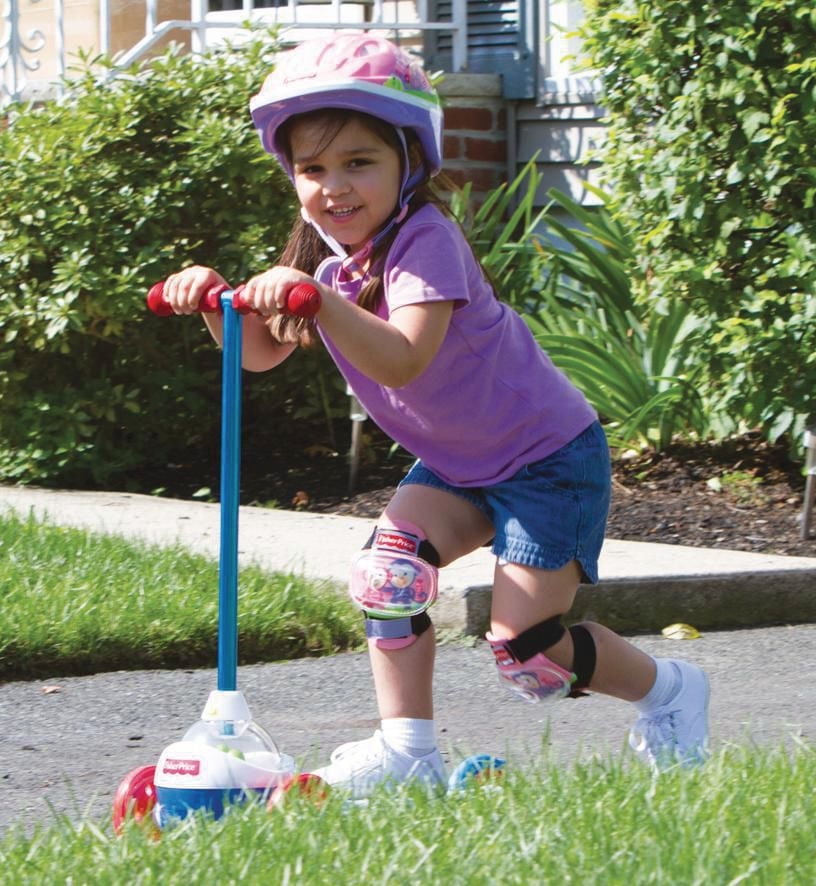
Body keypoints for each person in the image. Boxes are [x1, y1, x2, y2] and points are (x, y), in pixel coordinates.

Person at [161, 33, 710, 795]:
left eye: (359, 161)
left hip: (547, 458)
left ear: (408, 163)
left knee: (531, 654)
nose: (334, 185)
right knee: (388, 576)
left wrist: (320, 300)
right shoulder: (328, 269)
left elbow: (403, 357)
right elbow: (256, 354)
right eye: (312, 168)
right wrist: (214, 302)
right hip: (459, 465)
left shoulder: (425, 241)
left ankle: (670, 691)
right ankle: (409, 754)